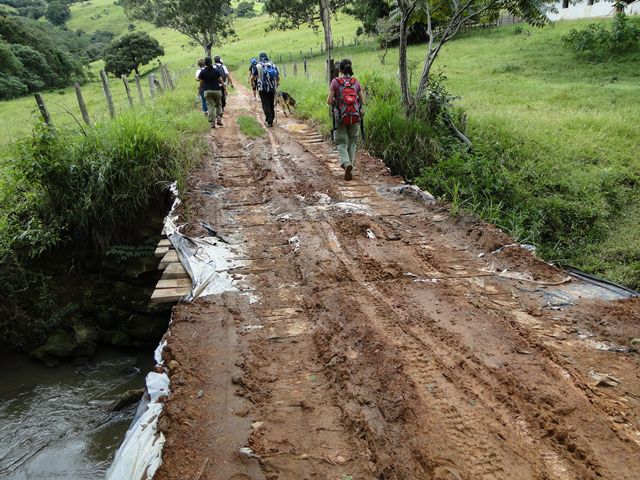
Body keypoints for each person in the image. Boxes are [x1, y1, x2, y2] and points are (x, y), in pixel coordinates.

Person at [327, 59, 365, 181]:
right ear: (350, 68)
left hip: (341, 117)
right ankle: (350, 166)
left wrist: (336, 104)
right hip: (355, 116)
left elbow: (329, 101)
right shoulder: (356, 82)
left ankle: (346, 163)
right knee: (353, 143)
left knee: (341, 143)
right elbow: (363, 101)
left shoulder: (335, 82)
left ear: (341, 70)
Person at [253, 52, 279, 127]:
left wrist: (253, 83)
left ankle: (269, 120)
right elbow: (277, 77)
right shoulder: (273, 65)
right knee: (271, 103)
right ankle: (272, 118)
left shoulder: (258, 66)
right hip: (272, 87)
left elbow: (253, 77)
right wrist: (276, 84)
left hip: (262, 88)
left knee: (265, 103)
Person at [198, 57, 224, 128]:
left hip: (207, 91)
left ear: (204, 63)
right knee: (218, 104)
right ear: (211, 62)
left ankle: (212, 123)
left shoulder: (202, 72)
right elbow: (221, 80)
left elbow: (201, 83)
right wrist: (224, 89)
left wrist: (199, 91)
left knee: (210, 106)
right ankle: (218, 118)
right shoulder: (216, 70)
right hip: (217, 90)